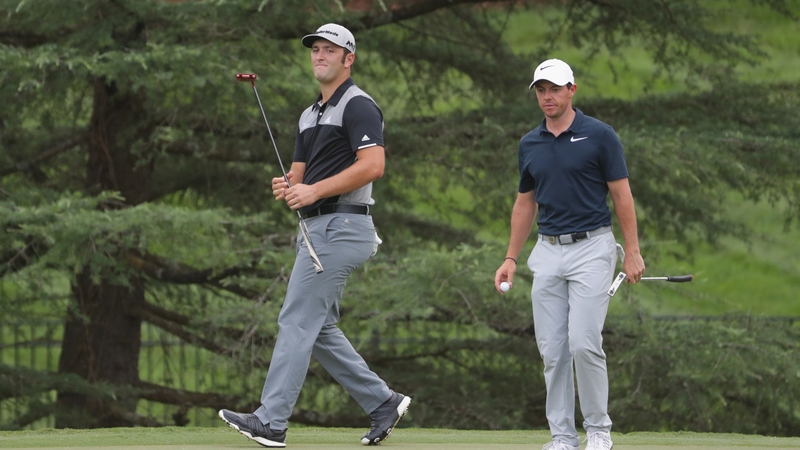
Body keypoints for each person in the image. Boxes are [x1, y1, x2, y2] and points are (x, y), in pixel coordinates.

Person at [218, 23, 411, 448]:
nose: (320, 56)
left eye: (330, 50)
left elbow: (373, 165)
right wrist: (287, 186)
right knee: (317, 326)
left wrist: (314, 191)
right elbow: (301, 177)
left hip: (343, 226)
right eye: (316, 50)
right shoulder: (309, 115)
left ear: (349, 59)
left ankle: (271, 422)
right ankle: (382, 402)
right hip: (318, 227)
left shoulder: (359, 105)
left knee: (295, 320)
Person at [494, 58, 645, 450]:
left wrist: (632, 251)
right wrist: (511, 258)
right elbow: (525, 204)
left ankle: (598, 430)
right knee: (553, 350)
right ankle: (562, 437)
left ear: (571, 90)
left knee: (582, 342)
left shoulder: (599, 135)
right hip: (547, 251)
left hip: (593, 247)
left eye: (555, 89)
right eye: (541, 90)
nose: (547, 97)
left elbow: (621, 195)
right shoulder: (530, 143)